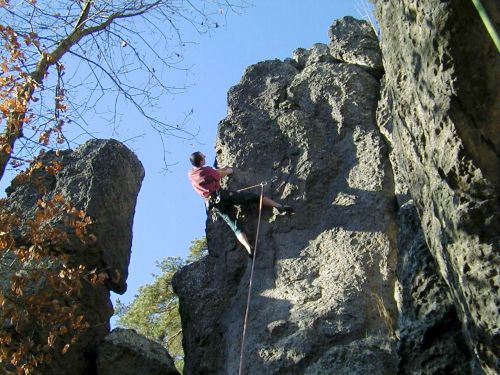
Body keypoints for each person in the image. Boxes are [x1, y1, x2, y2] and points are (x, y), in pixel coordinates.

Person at [188, 151, 293, 257]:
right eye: (203, 156)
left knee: (235, 226)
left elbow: (210, 174)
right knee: (253, 198)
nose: (205, 156)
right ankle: (279, 206)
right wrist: (228, 171)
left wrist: (221, 169)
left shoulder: (192, 175)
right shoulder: (207, 170)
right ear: (201, 161)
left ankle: (248, 248)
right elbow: (218, 175)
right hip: (223, 195)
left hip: (215, 204)